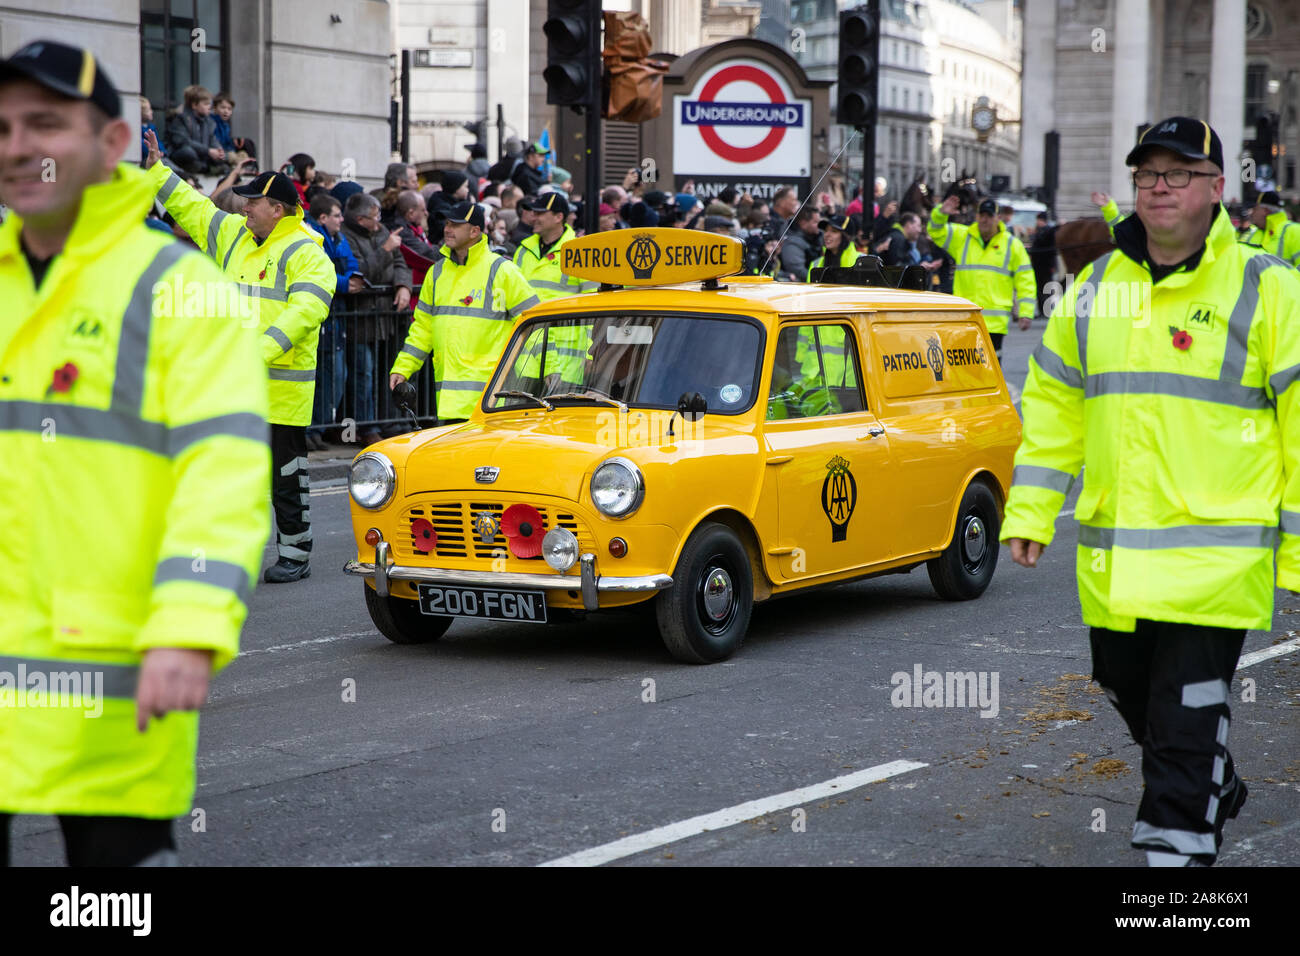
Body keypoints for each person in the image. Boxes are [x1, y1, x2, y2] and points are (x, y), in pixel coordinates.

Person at [1001, 116, 1300, 867]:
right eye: (1147, 176)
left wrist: (1293, 553)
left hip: (1216, 560)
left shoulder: (1269, 289)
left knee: (1183, 718)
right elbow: (1056, 404)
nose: (1159, 188)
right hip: (1115, 558)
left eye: (1178, 174)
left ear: (1216, 189)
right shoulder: (1098, 286)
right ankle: (1214, 780)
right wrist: (1033, 508)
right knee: (1131, 692)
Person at [0, 40, 269, 865]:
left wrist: (188, 629)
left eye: (44, 124)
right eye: (2, 126)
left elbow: (220, 474)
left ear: (114, 145)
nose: (16, 147)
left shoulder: (181, 291)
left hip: (111, 684)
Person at [144, 130, 334, 584]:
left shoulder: (309, 253)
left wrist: (255, 352)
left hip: (281, 393)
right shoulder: (234, 234)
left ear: (279, 209)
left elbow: (304, 312)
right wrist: (156, 170)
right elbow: (194, 210)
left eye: (252, 202)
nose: (242, 206)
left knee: (286, 478)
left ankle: (295, 552)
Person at [389, 202, 539, 424]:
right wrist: (403, 367)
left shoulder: (502, 271)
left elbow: (534, 323)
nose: (448, 229)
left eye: (456, 224)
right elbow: (423, 328)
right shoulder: (437, 273)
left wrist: (531, 378)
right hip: (450, 404)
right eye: (448, 223)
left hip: (491, 403)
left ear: (474, 231)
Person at [340, 192, 413, 445]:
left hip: (385, 319)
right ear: (360, 219)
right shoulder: (345, 236)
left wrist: (403, 285)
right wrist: (385, 249)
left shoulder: (381, 231)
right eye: (375, 216)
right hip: (360, 319)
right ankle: (365, 427)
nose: (379, 220)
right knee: (364, 374)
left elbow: (401, 263)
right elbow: (361, 273)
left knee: (384, 373)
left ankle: (386, 421)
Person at [928, 196, 1034, 359]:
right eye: (981, 215)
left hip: (994, 324)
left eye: (989, 216)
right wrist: (941, 214)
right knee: (963, 371)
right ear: (977, 216)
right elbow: (935, 231)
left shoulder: (1012, 245)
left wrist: (1026, 312)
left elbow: (1025, 280)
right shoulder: (962, 237)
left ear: (998, 218)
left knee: (991, 372)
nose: (984, 220)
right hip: (965, 320)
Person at [306, 193, 361, 449]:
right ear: (323, 217)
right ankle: (311, 430)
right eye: (337, 215)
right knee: (322, 378)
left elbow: (351, 264)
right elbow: (320, 272)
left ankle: (318, 428)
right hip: (323, 317)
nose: (342, 220)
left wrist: (347, 280)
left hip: (335, 318)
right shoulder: (312, 236)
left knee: (336, 376)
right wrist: (343, 283)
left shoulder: (338, 238)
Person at [163, 84, 227, 175]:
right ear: (194, 105)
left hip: (201, 156)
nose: (210, 107)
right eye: (206, 104)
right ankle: (206, 168)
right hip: (184, 155)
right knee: (188, 153)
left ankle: (205, 167)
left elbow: (212, 139)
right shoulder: (179, 117)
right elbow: (182, 141)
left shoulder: (209, 122)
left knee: (223, 156)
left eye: (210, 104)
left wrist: (218, 150)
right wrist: (208, 151)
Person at [1240, 191, 1299, 266]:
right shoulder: (1250, 234)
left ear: (1265, 211)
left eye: (1254, 209)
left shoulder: (1295, 232)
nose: (1251, 213)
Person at [807, 214, 860, 279]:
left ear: (846, 237)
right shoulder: (815, 264)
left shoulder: (862, 262)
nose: (827, 234)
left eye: (834, 231)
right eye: (826, 230)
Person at [1028, 211, 1058, 316]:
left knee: (1047, 287)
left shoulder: (1049, 231)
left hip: (1046, 264)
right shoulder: (1039, 231)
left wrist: (1053, 266)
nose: (1037, 222)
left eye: (1038, 220)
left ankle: (1047, 309)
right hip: (1038, 264)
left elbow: (1051, 249)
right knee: (1040, 287)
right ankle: (1042, 310)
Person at [780, 206, 821, 281]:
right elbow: (797, 271)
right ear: (803, 223)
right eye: (815, 222)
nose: (819, 225)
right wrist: (821, 278)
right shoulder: (792, 243)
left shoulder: (817, 236)